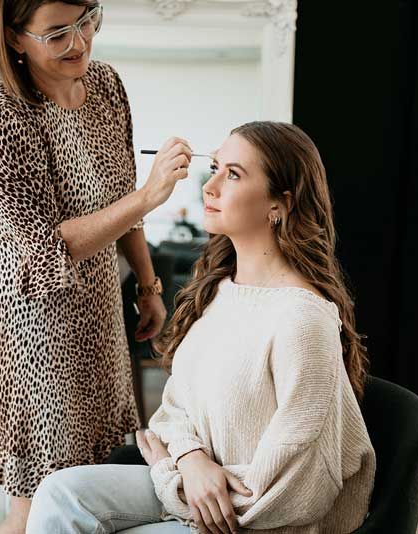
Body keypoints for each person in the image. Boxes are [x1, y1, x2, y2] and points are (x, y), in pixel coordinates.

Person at [26, 121, 376, 534]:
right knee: (59, 493)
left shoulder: (302, 318)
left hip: (253, 521)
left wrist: (168, 476)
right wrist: (190, 461)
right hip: (193, 482)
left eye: (233, 174)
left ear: (279, 204)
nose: (209, 187)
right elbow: (175, 408)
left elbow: (303, 488)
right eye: (214, 167)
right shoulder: (221, 291)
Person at [0, 2, 194, 532]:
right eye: (56, 33)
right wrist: (153, 195)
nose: (80, 42)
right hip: (34, 322)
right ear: (15, 39)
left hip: (98, 307)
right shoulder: (0, 121)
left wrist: (148, 284)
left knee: (86, 479)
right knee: (41, 498)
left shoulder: (105, 85)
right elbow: (47, 246)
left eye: (86, 18)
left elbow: (119, 192)